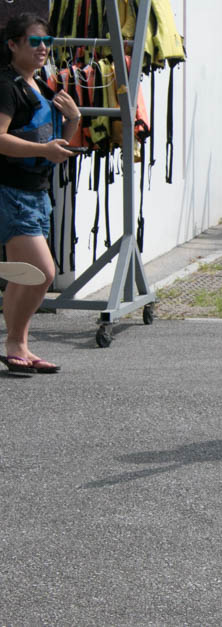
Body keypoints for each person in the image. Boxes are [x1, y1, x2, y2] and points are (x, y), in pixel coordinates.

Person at [0, 12, 79, 374]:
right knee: (42, 272)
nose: (43, 48)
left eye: (46, 41)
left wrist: (74, 121)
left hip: (36, 192)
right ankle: (15, 343)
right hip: (12, 192)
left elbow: (53, 141)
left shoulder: (42, 85)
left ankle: (20, 346)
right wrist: (44, 152)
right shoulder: (7, 86)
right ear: (13, 44)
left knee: (25, 274)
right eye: (34, 41)